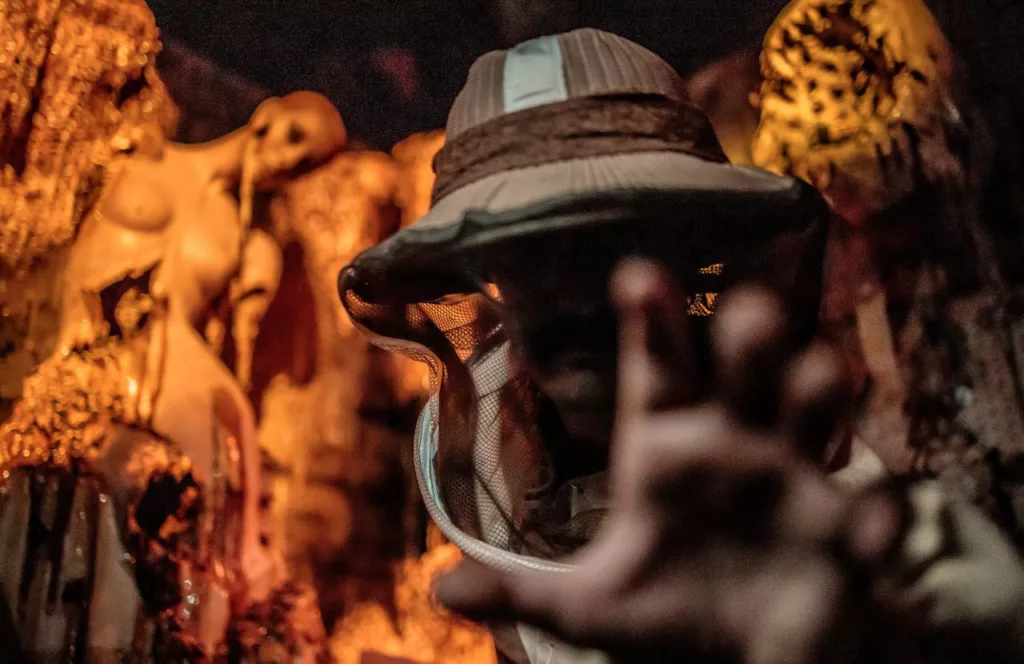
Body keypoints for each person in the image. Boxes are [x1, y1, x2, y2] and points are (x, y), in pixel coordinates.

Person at [338, 29, 1024, 664]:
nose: (570, 297)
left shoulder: (831, 530)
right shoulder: (509, 503)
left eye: (609, 244)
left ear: (696, 256)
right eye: (523, 258)